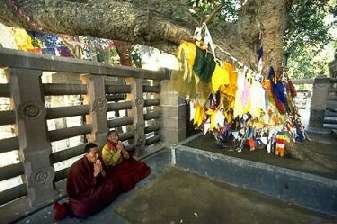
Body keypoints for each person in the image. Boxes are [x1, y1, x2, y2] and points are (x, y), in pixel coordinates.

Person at [54, 143, 121, 220]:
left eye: (98, 153)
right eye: (94, 153)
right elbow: (80, 189)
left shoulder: (98, 161)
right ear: (86, 154)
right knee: (82, 207)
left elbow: (105, 177)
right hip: (83, 194)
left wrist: (101, 170)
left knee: (113, 183)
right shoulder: (77, 167)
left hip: (96, 188)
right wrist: (95, 175)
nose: (97, 156)